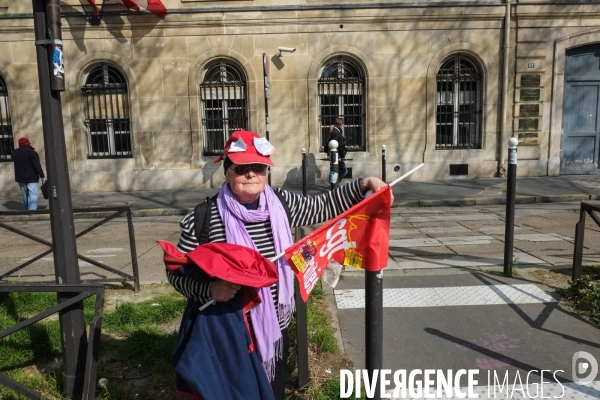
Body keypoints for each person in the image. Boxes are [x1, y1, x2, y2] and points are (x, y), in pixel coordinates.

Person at [167, 129, 391, 400]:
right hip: (228, 331)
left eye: (259, 168)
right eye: (242, 168)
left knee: (273, 391)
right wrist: (211, 290)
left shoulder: (282, 203)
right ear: (227, 173)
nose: (251, 174)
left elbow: (323, 205)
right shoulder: (203, 218)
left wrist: (363, 184)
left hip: (276, 326)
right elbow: (177, 273)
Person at [12, 137, 45, 211]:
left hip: (20, 176)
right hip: (31, 176)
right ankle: (32, 210)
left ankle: (27, 208)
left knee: (24, 193)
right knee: (32, 193)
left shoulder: (14, 152)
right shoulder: (32, 153)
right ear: (28, 143)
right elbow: (36, 165)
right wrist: (41, 175)